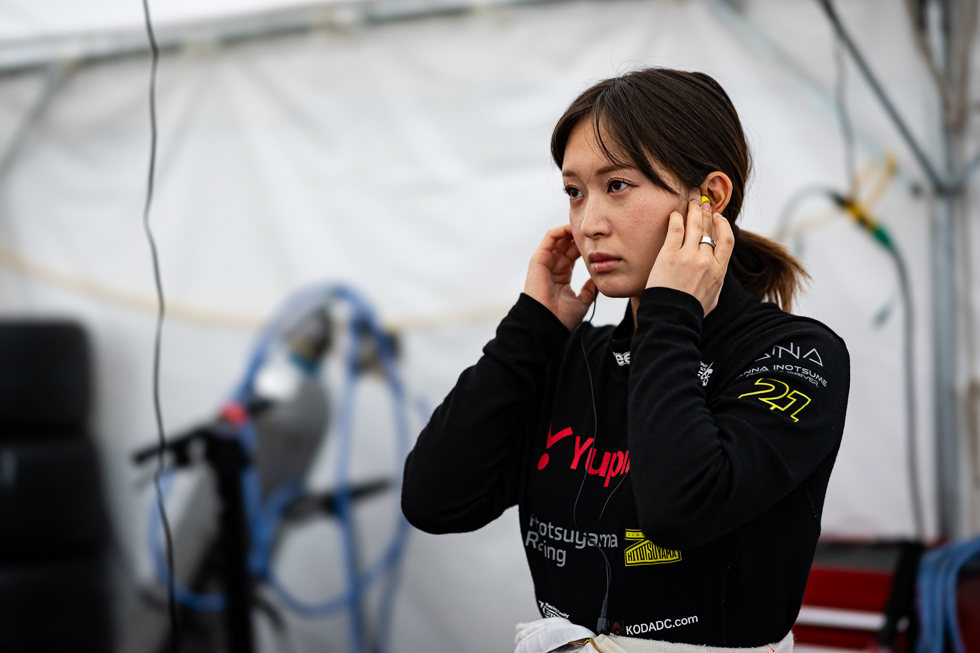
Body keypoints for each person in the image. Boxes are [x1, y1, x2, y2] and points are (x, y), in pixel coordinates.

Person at [401, 68, 850, 653]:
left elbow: (680, 508)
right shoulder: (570, 356)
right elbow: (436, 501)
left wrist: (670, 313)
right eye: (574, 191)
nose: (589, 224)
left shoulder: (795, 354)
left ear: (710, 198)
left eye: (617, 185)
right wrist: (529, 331)